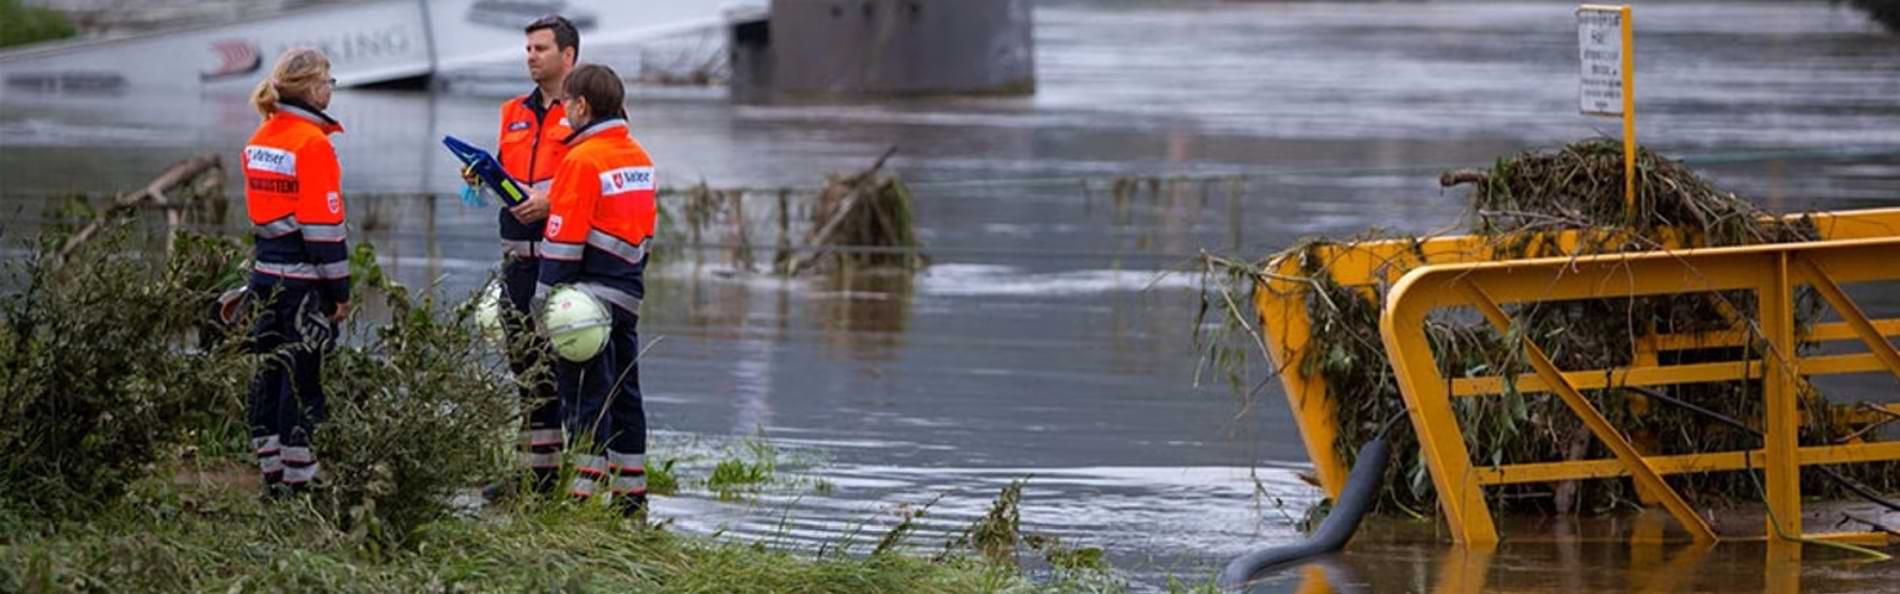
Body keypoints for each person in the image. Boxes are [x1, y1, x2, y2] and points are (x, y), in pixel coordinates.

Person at [465, 15, 581, 492]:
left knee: (567, 373)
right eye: (527, 48)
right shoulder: (512, 109)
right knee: (527, 369)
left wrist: (551, 199)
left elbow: (593, 172)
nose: (530, 56)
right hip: (517, 259)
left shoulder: (586, 107)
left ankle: (580, 478)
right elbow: (510, 170)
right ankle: (534, 477)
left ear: (567, 56)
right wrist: (481, 175)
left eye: (540, 48)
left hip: (564, 260)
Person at [537, 64, 655, 516]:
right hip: (627, 294)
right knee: (625, 394)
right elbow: (646, 232)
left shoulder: (582, 160)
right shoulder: (639, 157)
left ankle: (580, 498)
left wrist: (544, 296)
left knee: (586, 396)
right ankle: (631, 499)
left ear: (581, 106)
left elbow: (564, 239)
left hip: (585, 303)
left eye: (567, 103)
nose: (564, 110)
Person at [240, 48, 349, 496]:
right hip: (304, 281)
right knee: (303, 380)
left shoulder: (260, 137)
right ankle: (300, 482)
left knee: (267, 374)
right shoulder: (312, 143)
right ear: (310, 87)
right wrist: (340, 290)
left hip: (265, 274)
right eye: (328, 81)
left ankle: (272, 476)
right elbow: (323, 229)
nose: (330, 89)